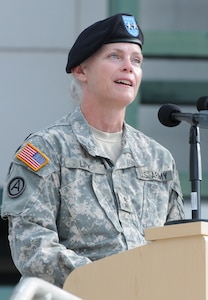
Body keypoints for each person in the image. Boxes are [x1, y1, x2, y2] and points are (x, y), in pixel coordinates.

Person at [1, 13, 185, 288]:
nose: (128, 67)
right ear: (81, 70)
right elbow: (32, 247)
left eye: (136, 60)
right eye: (115, 56)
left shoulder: (158, 159)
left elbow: (177, 250)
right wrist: (109, 281)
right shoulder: (46, 149)